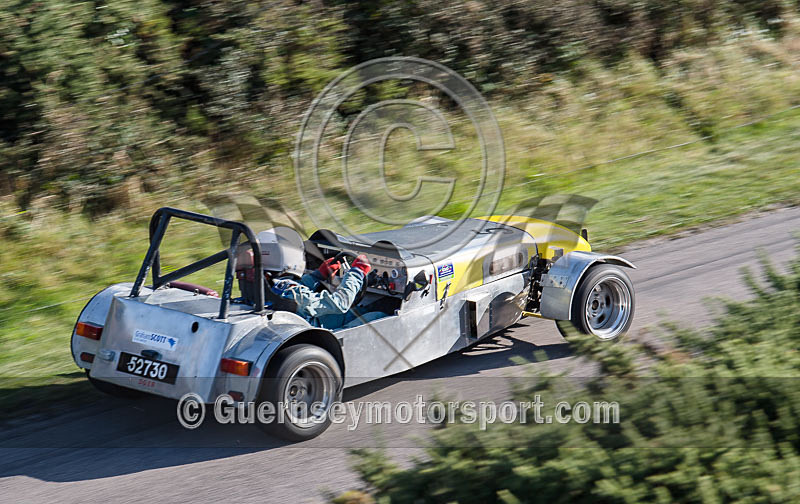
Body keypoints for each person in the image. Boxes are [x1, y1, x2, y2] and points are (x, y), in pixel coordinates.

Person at [237, 226, 376, 329]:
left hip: (288, 322)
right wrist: (357, 272)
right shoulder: (292, 293)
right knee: (376, 315)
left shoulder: (265, 282)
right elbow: (340, 303)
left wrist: (318, 275)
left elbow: (292, 290)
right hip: (312, 328)